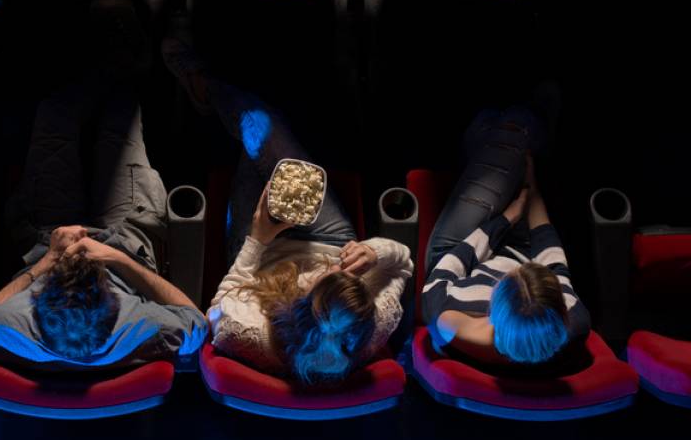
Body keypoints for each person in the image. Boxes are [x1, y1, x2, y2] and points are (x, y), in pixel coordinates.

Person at [0, 0, 207, 369]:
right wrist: (116, 259)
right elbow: (198, 325)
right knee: (119, 125)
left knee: (52, 118)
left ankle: (97, 57)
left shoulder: (18, 326)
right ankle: (123, 64)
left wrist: (51, 259)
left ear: (37, 309)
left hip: (49, 233)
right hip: (127, 237)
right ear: (115, 306)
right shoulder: (137, 326)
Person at [161, 33, 413, 383]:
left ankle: (206, 88)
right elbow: (403, 264)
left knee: (261, 134)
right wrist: (373, 252)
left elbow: (217, 311)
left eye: (331, 277)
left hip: (263, 257)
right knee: (264, 138)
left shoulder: (249, 333)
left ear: (298, 307)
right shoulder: (370, 328)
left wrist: (258, 239)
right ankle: (233, 92)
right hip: (330, 238)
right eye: (351, 278)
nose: (343, 270)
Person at [422, 105, 591, 369]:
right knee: (518, 154)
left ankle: (499, 122)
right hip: (524, 247)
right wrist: (532, 191)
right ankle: (514, 125)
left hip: (460, 249)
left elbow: (446, 267)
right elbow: (552, 258)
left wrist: (506, 219)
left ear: (493, 308)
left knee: (511, 134)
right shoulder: (572, 322)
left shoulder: (450, 322)